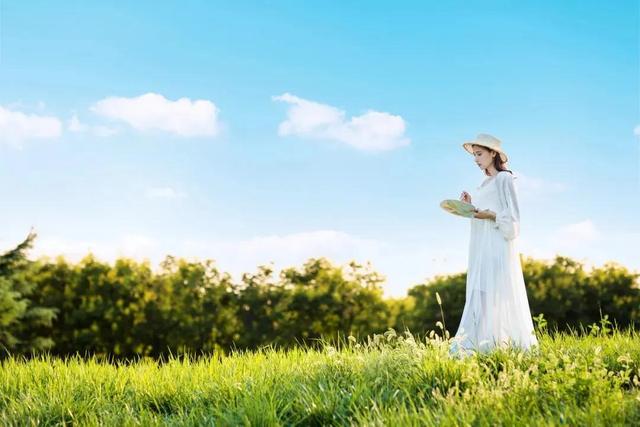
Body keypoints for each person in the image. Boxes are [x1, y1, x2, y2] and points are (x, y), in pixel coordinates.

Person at [448, 134, 539, 358]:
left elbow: (513, 219)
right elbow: (483, 213)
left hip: (497, 244)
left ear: (493, 154)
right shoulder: (484, 184)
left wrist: (491, 216)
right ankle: (483, 347)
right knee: (481, 293)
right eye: (474, 155)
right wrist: (470, 207)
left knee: (491, 294)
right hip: (481, 245)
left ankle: (488, 347)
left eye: (479, 154)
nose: (476, 159)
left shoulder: (505, 179)